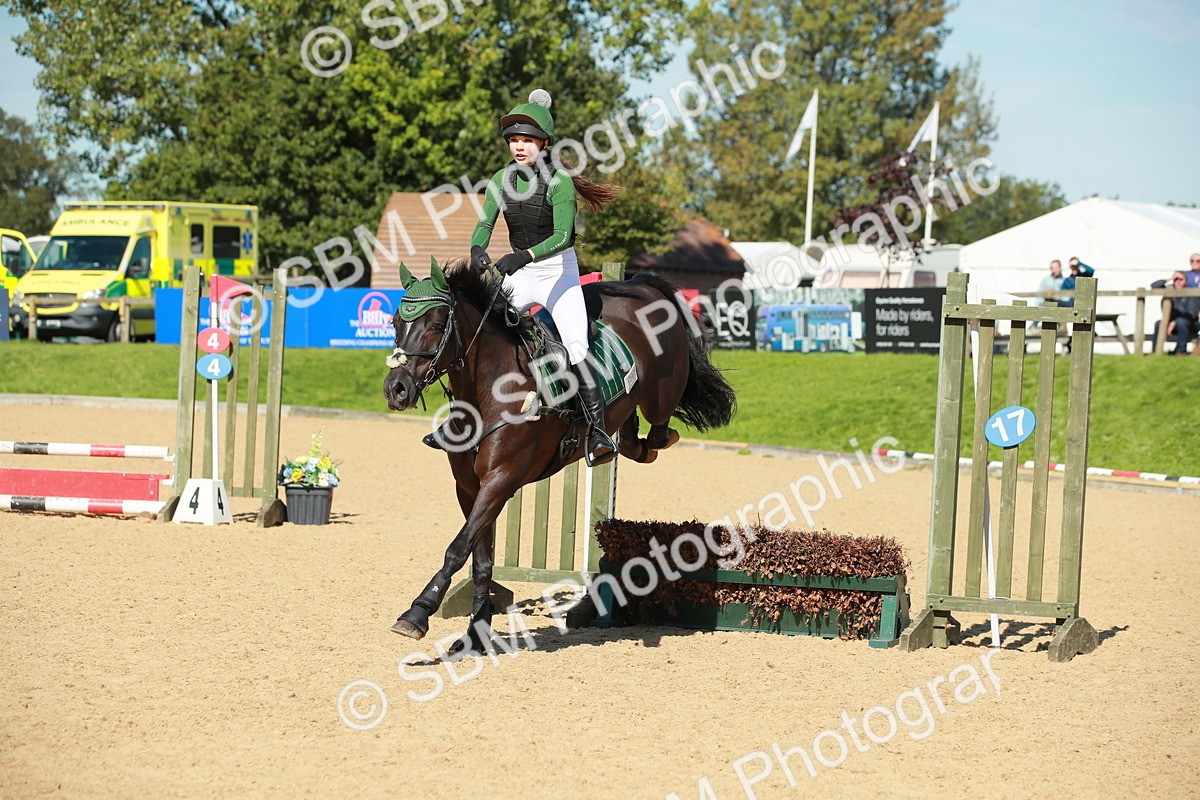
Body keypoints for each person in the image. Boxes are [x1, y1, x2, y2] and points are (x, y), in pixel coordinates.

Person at [451, 89, 619, 466]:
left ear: (544, 143)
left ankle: (598, 431)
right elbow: (484, 224)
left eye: (526, 140)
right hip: (521, 272)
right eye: (513, 140)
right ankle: (460, 419)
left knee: (576, 345)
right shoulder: (500, 179)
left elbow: (563, 237)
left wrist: (522, 256)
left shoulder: (559, 182)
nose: (519, 146)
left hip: (558, 274)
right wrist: (477, 248)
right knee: (479, 335)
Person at [1152, 271, 1199, 354]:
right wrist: (1168, 279)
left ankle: (1181, 352)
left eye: (1180, 279)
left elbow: (1191, 314)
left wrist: (1175, 322)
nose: (1178, 282)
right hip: (1172, 324)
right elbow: (1154, 286)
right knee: (1159, 324)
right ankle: (1156, 351)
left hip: (1191, 324)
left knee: (1181, 322)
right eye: (1175, 279)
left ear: (1186, 281)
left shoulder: (1191, 291)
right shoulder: (1170, 290)